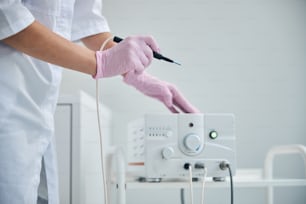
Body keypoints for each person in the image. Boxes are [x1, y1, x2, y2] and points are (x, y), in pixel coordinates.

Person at [0, 0, 199, 203]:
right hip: (7, 94)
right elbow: (6, 14)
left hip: (38, 103)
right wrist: (100, 63)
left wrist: (138, 76)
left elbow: (88, 23)